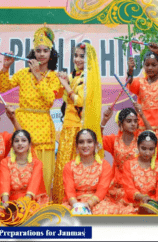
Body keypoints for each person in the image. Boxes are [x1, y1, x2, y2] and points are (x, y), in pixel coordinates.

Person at [0, 26, 63, 196]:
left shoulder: (54, 77)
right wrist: (5, 68)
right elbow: (3, 87)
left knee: (43, 174)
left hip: (43, 127)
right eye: (38, 50)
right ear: (33, 52)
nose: (41, 54)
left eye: (45, 51)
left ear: (51, 53)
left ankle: (42, 208)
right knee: (21, 173)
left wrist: (38, 75)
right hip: (22, 125)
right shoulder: (23, 74)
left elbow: (50, 99)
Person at [52, 43, 103, 204]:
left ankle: (77, 202)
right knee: (62, 167)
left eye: (82, 56)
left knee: (74, 167)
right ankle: (62, 203)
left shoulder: (87, 78)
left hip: (77, 129)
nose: (77, 59)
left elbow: (79, 101)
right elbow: (65, 98)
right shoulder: (76, 76)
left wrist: (66, 84)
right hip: (67, 127)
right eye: (76, 55)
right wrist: (66, 81)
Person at [127, 43, 158, 165]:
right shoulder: (140, 82)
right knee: (144, 163)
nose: (150, 68)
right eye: (147, 65)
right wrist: (130, 71)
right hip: (143, 128)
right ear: (143, 66)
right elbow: (130, 84)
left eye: (154, 65)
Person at [100, 104, 152, 208]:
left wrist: (142, 115)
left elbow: (152, 136)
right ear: (121, 124)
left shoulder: (140, 141)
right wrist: (104, 121)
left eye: (135, 121)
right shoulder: (114, 141)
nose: (133, 124)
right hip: (118, 187)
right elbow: (97, 139)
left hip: (138, 185)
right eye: (129, 121)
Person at [62, 129, 119, 215]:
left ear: (95, 144)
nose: (85, 145)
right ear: (76, 146)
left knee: (106, 212)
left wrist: (88, 204)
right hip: (75, 201)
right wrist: (76, 205)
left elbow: (102, 190)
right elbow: (69, 190)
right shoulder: (69, 166)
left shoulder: (104, 165)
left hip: (98, 201)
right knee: (62, 214)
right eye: (81, 142)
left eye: (89, 142)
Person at [0, 130, 48, 207]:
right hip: (11, 201)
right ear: (12, 145)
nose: (20, 143)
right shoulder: (5, 162)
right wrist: (5, 203)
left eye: (24, 140)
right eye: (16, 141)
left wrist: (24, 203)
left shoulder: (37, 163)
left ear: (29, 145)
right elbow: (4, 185)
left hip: (32, 201)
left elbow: (33, 185)